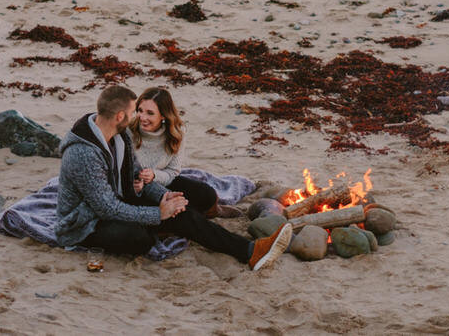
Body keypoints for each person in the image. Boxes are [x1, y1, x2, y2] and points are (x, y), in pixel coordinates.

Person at [55, 84, 291, 269]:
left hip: (119, 203)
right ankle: (160, 225)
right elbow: (106, 208)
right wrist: (157, 214)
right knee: (140, 240)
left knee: (182, 212)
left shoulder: (120, 136)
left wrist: (166, 198)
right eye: (132, 112)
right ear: (119, 116)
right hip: (86, 223)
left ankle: (250, 251)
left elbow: (137, 177)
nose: (136, 118)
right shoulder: (83, 154)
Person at [131, 86, 233, 218]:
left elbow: (173, 171)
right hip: (139, 189)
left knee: (206, 193)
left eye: (150, 113)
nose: (142, 117)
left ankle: (214, 211)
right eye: (140, 110)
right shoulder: (128, 131)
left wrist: (154, 175)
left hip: (162, 179)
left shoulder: (177, 133)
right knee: (182, 211)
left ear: (163, 115)